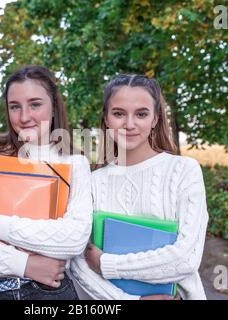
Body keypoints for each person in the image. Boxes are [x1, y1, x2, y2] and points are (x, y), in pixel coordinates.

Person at [0, 65, 92, 300]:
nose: (24, 117)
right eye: (15, 107)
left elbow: (74, 239)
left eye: (35, 104)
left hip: (51, 294)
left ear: (54, 107)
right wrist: (25, 264)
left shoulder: (76, 161)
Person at [70, 74, 209, 300]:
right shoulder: (93, 181)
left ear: (155, 119)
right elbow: (77, 261)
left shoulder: (183, 170)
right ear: (106, 119)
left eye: (141, 114)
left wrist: (107, 263)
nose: (130, 124)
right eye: (118, 114)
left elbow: (186, 258)